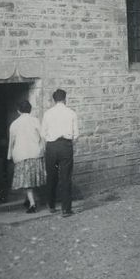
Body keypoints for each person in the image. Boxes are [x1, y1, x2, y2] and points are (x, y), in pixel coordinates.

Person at [42, 88, 79, 217]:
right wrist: (68, 145)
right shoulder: (71, 113)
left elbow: (43, 133)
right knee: (66, 177)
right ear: (65, 99)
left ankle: (51, 205)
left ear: (54, 100)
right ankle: (66, 209)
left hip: (51, 147)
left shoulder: (47, 113)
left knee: (51, 176)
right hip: (65, 146)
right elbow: (76, 135)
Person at [7, 100, 45, 213]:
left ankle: (32, 204)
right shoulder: (35, 121)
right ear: (30, 109)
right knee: (30, 179)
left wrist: (9, 156)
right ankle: (28, 199)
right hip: (35, 153)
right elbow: (42, 137)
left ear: (18, 111)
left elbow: (11, 142)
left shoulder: (14, 124)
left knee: (26, 180)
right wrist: (42, 149)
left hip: (21, 154)